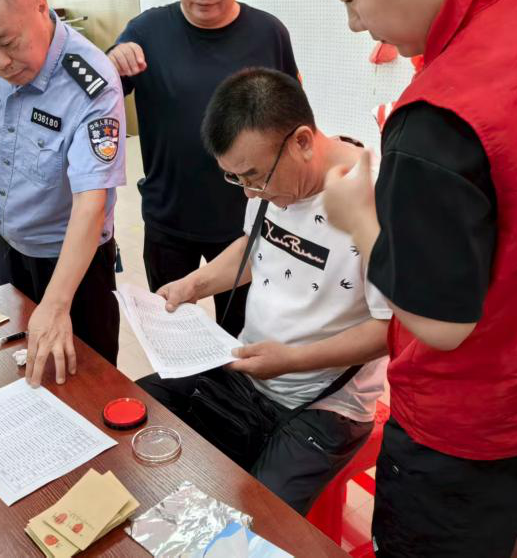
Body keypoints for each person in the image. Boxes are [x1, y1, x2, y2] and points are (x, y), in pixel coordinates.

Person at [294, 0, 517, 556]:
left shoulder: (438, 116)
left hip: (472, 427)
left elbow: (441, 325)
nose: (355, 24)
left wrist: (360, 221)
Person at [137, 68, 390, 514]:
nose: (251, 193)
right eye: (236, 179)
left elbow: (391, 330)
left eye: (254, 177)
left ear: (302, 142)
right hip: (249, 370)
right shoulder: (272, 185)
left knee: (255, 518)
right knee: (137, 413)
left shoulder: (377, 200)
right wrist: (193, 284)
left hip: (325, 406)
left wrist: (291, 360)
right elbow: (254, 248)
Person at [108, 0, 298, 337]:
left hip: (246, 222)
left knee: (243, 337)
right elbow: (100, 96)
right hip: (169, 218)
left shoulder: (269, 33)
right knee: (173, 335)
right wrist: (110, 61)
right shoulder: (146, 31)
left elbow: (296, 120)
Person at [0, 0, 127, 387]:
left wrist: (57, 303)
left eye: (8, 42)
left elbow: (91, 203)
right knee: (20, 367)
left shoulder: (90, 83)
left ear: (41, 7)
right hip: (10, 245)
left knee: (86, 382)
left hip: (72, 263)